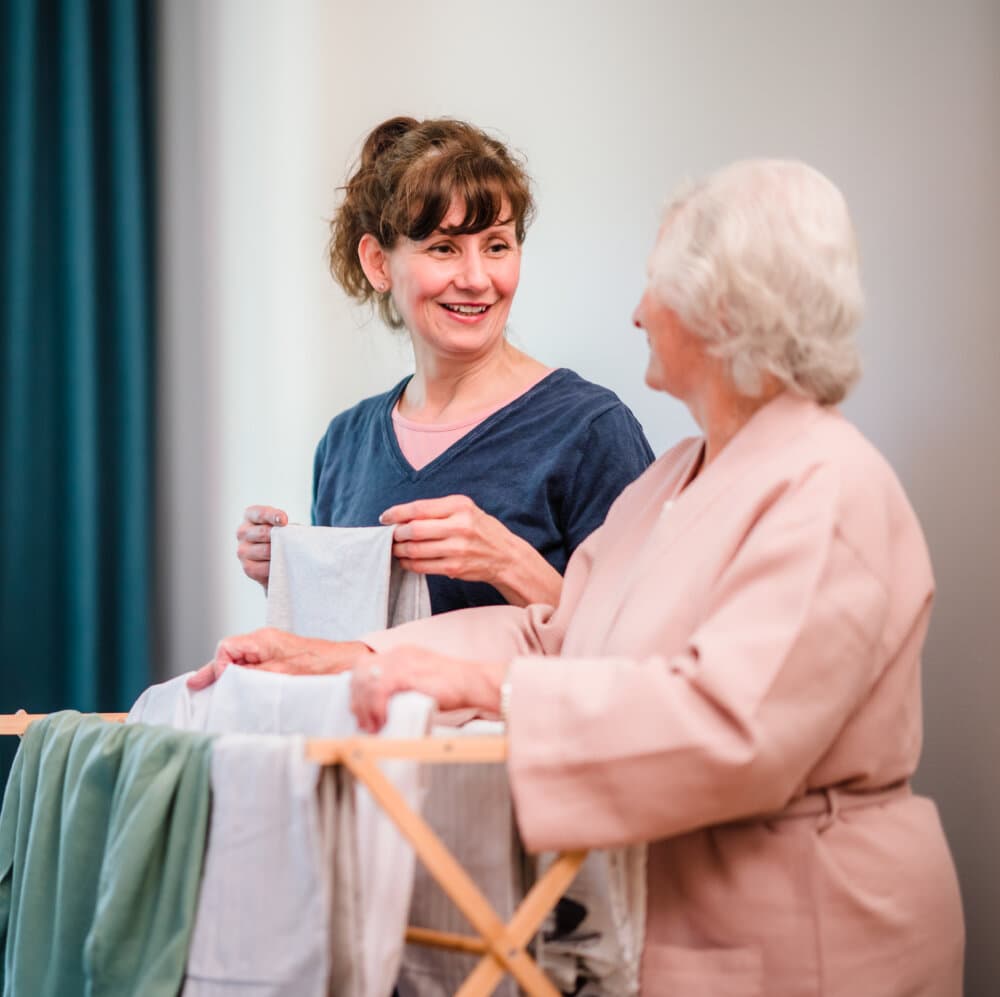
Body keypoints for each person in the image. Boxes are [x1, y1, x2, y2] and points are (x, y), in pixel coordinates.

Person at [192, 158, 964, 994]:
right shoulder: (677, 477)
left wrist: (502, 696)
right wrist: (349, 660)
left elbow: (730, 729)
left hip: (812, 931)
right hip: (675, 917)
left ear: (726, 310)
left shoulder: (828, 486)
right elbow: (554, 632)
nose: (635, 312)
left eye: (655, 287)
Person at [235, 115, 653, 614]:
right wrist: (294, 572)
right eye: (443, 248)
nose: (477, 278)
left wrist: (506, 563)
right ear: (378, 263)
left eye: (497, 246)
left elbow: (641, 649)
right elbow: (347, 647)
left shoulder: (590, 431)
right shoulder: (344, 446)